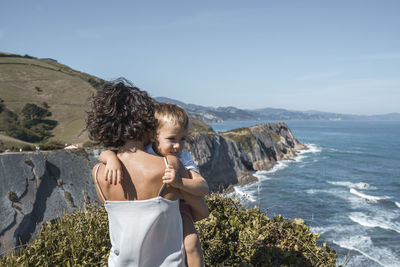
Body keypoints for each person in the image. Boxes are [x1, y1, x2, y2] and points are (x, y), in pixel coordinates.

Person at [86, 80, 209, 267]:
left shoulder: (98, 173)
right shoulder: (169, 164)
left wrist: (110, 156)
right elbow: (202, 211)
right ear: (146, 123)